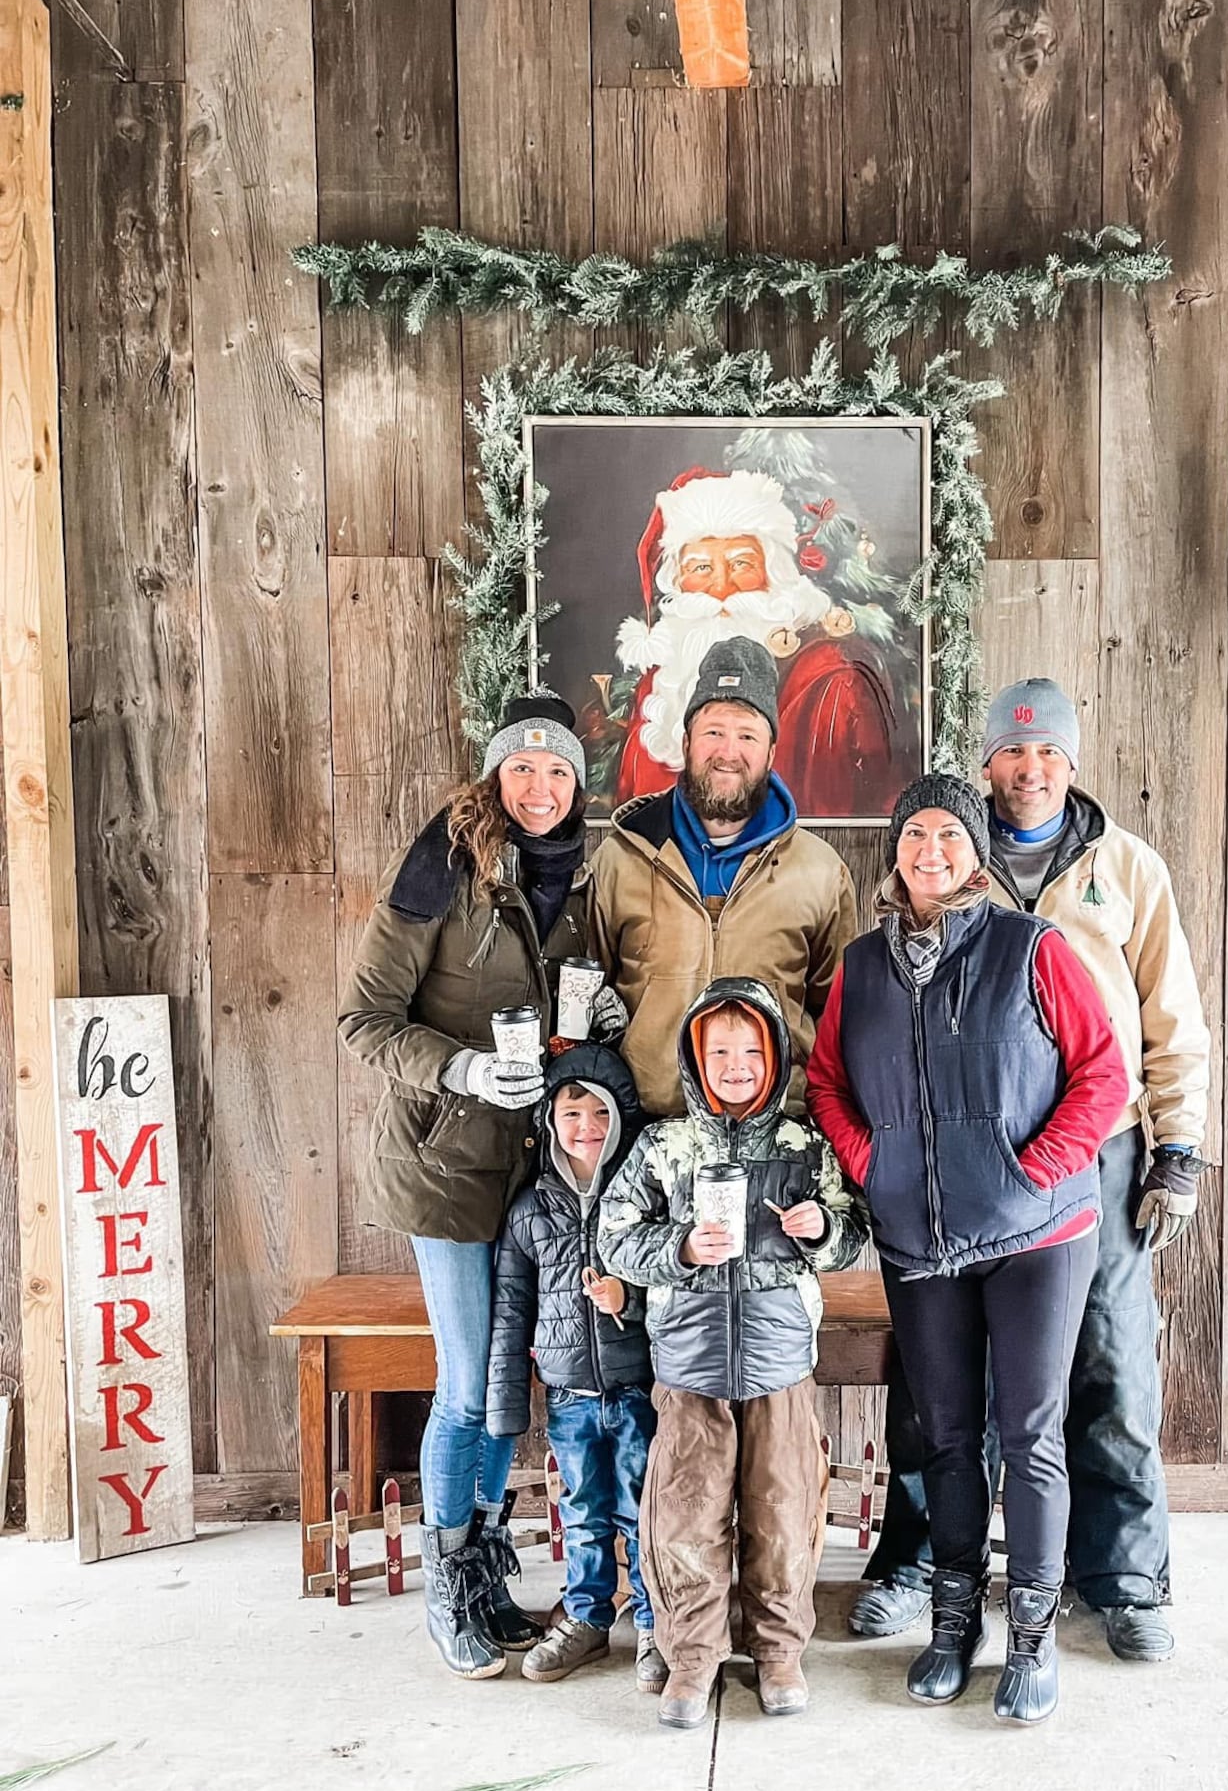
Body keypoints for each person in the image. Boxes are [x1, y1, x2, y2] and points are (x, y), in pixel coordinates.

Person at [847, 680, 1211, 1665]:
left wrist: (1176, 1149)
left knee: (1107, 1366)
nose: (1029, 768)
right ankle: (919, 1562)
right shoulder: (947, 860)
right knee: (937, 1386)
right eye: (1012, 754)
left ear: (1071, 763)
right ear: (987, 768)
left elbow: (1168, 1015)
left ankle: (1120, 1579)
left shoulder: (1121, 868)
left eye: (1047, 752)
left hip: (1094, 1154)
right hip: (951, 1156)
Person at [807, 777, 1127, 1725]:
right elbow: (827, 1078)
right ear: (896, 848)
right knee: (944, 1438)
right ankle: (952, 1625)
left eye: (950, 832)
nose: (930, 848)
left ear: (977, 853)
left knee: (1029, 1433)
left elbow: (1104, 1072)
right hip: (919, 1240)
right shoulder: (863, 967)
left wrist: (1037, 1170)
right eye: (915, 831)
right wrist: (876, 1160)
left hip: (1038, 1234)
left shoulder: (1032, 946)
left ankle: (1029, 1634)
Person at [338, 695, 620, 1680]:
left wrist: (607, 1011)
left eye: (557, 772)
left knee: (512, 1388)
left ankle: (490, 1570)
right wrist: (460, 1069)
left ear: (576, 784)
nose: (540, 789)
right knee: (466, 1384)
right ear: (494, 778)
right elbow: (364, 1020)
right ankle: (447, 1589)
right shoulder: (442, 869)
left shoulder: (587, 874)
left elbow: (586, 998)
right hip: (449, 1169)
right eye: (521, 770)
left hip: (540, 1173)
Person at [598, 978, 866, 1730]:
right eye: (720, 1051)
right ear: (695, 1058)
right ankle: (693, 1654)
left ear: (775, 1056)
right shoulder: (664, 1144)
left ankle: (779, 1649)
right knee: (686, 1512)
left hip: (780, 1360)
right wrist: (679, 1246)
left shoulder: (802, 1144)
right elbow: (613, 1236)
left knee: (783, 1508)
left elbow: (853, 1230)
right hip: (689, 1365)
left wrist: (820, 1229)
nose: (737, 1064)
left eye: (752, 1049)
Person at [589, 633, 858, 1120]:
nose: (728, 752)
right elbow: (589, 998)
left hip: (776, 1134)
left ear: (771, 751)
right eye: (714, 732)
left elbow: (837, 1020)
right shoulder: (619, 860)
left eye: (747, 735)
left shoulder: (821, 873)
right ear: (687, 741)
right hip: (648, 1131)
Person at [486, 1044, 666, 1694]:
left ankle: (654, 1622)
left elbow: (681, 1276)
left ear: (621, 1118)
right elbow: (510, 1309)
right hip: (568, 1392)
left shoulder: (642, 1194)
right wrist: (505, 1405)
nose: (586, 1125)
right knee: (583, 1508)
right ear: (549, 1118)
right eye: (571, 1111)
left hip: (636, 1385)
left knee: (644, 1508)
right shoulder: (531, 1210)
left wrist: (630, 1299)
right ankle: (587, 1616)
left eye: (600, 1111)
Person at [611, 467, 910, 816]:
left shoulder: (832, 678)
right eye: (702, 568)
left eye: (741, 563)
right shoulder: (662, 684)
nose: (722, 589)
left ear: (776, 574)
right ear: (677, 582)